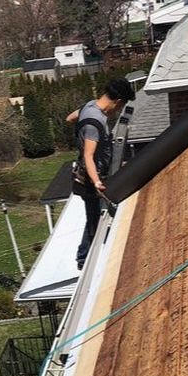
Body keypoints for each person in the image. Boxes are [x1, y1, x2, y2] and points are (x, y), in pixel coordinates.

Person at [66, 78, 135, 270]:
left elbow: (69, 118)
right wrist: (96, 181)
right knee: (94, 219)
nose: (118, 111)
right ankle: (84, 259)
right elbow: (88, 155)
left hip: (91, 174)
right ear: (118, 101)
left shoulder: (89, 106)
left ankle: (84, 255)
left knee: (94, 217)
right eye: (120, 107)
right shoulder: (94, 122)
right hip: (89, 180)